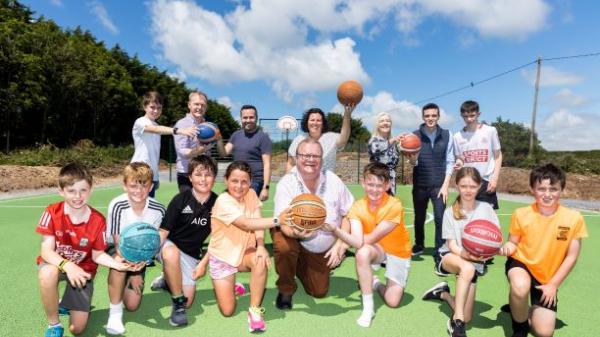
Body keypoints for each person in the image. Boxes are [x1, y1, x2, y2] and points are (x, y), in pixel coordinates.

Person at [36, 163, 141, 337]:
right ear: (61, 191)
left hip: (83, 271)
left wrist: (119, 265)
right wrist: (68, 266)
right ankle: (54, 325)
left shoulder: (98, 221)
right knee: (47, 274)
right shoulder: (51, 212)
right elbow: (46, 252)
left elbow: (98, 254)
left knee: (77, 329)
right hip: (57, 263)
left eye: (83, 190)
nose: (77, 196)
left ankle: (66, 304)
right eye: (71, 191)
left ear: (91, 190)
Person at [499, 163, 587, 337]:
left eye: (553, 189)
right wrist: (505, 248)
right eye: (541, 189)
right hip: (521, 264)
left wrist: (553, 285)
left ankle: (520, 305)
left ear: (562, 189)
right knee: (520, 286)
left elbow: (571, 257)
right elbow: (513, 244)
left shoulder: (574, 218)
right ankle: (520, 327)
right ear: (533, 189)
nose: (547, 194)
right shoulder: (521, 213)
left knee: (544, 332)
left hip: (547, 277)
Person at [322, 162, 411, 328]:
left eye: (379, 185)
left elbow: (369, 238)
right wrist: (335, 230)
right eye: (370, 184)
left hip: (397, 251)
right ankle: (368, 308)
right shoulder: (357, 207)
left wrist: (341, 246)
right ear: (363, 182)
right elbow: (357, 242)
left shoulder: (394, 205)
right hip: (377, 250)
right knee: (362, 253)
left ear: (387, 185)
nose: (374, 189)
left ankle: (375, 283)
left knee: (392, 301)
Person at [206, 161, 291, 332]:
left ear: (250, 182)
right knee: (228, 311)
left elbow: (257, 221)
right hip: (223, 258)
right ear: (226, 180)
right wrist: (277, 220)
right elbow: (246, 224)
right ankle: (233, 287)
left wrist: (260, 245)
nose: (239, 186)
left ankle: (254, 311)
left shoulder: (251, 193)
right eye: (234, 181)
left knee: (260, 260)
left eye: (244, 181)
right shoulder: (223, 201)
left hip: (244, 253)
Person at [273, 138, 354, 309]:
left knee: (319, 291)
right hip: (292, 235)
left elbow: (349, 214)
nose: (311, 159)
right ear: (296, 157)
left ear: (322, 160)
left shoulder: (333, 180)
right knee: (284, 246)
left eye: (315, 156)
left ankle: (300, 264)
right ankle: (286, 289)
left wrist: (341, 243)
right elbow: (283, 223)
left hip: (321, 247)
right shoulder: (287, 183)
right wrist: (297, 233)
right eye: (305, 155)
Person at [421, 167, 500, 337]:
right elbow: (451, 245)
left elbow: (494, 240)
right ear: (457, 185)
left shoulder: (487, 209)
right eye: (464, 186)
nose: (468, 190)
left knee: (469, 316)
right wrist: (468, 256)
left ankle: (442, 294)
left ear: (479, 186)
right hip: (450, 257)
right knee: (467, 269)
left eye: (472, 186)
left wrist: (493, 251)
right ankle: (456, 322)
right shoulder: (450, 212)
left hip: (474, 263)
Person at [153, 155, 219, 327]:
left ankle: (168, 279)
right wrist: (150, 252)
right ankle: (177, 304)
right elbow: (163, 231)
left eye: (208, 174)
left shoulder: (219, 204)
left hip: (191, 254)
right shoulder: (180, 200)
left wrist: (203, 263)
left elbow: (218, 239)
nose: (203, 179)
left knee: (189, 300)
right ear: (190, 177)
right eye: (198, 174)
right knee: (171, 254)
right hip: (169, 246)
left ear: (214, 177)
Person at [104, 162, 166, 335]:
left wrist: (140, 267)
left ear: (151, 186)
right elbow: (118, 245)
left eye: (144, 185)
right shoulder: (117, 205)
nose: (139, 190)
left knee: (132, 305)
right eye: (133, 185)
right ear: (125, 186)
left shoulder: (158, 210)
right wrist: (134, 270)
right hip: (117, 249)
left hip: (142, 255)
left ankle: (122, 283)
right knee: (118, 263)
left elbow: (153, 244)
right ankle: (114, 315)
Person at [408, 103, 455, 271]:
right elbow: (414, 163)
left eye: (433, 115)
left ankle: (439, 250)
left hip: (439, 185)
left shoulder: (448, 135)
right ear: (423, 117)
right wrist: (411, 157)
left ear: (438, 116)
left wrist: (446, 185)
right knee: (419, 217)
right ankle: (419, 244)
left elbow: (450, 161)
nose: (430, 118)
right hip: (420, 183)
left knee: (440, 218)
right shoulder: (414, 136)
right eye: (427, 116)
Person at [131, 91, 196, 197]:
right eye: (152, 107)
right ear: (145, 107)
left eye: (159, 108)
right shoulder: (140, 121)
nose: (156, 110)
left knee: (148, 208)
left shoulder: (156, 124)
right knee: (139, 208)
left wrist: (156, 176)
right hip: (138, 172)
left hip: (151, 174)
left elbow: (154, 153)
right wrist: (179, 130)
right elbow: (155, 129)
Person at [453, 100, 502, 210]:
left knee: (487, 220)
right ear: (461, 116)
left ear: (478, 114)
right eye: (465, 116)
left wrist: (494, 178)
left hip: (486, 181)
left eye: (472, 115)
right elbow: (459, 158)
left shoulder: (490, 131)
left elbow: (498, 155)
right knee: (467, 218)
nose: (469, 119)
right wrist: (459, 163)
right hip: (467, 182)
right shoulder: (457, 136)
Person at [174, 90, 225, 192]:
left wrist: (218, 138)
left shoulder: (209, 126)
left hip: (204, 172)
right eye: (196, 104)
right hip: (186, 173)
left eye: (203, 105)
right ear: (189, 105)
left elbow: (220, 152)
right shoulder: (182, 124)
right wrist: (200, 150)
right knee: (189, 206)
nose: (200, 108)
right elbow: (182, 152)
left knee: (204, 205)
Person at [286, 105, 355, 173]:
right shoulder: (298, 140)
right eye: (312, 120)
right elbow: (291, 163)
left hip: (327, 183)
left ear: (323, 124)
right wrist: (288, 181)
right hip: (303, 183)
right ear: (307, 122)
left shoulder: (331, 138)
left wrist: (347, 115)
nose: (315, 123)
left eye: (318, 120)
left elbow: (344, 139)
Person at [224, 105, 272, 201]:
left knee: (247, 211)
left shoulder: (263, 137)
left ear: (256, 118)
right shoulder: (236, 135)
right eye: (245, 117)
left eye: (251, 117)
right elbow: (224, 152)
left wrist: (265, 188)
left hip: (254, 181)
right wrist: (215, 138)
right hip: (237, 179)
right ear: (241, 119)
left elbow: (267, 164)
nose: (248, 120)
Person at [367, 112, 401, 195]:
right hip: (377, 181)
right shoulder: (373, 140)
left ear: (391, 124)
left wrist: (409, 149)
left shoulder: (393, 144)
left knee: (389, 207)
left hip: (391, 182)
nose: (385, 123)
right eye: (382, 121)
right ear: (377, 125)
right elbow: (377, 148)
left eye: (388, 121)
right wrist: (393, 140)